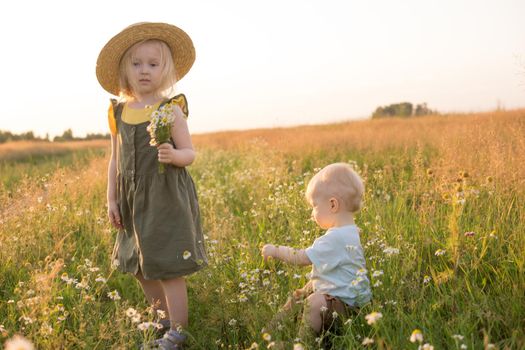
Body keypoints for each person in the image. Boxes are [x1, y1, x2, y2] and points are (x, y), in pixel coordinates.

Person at [96, 22, 207, 349]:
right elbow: (115, 159)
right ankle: (161, 321)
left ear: (165, 70)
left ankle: (179, 332)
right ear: (125, 69)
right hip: (131, 198)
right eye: (137, 63)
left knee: (168, 265)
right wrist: (111, 199)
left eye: (153, 64)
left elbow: (190, 153)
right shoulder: (119, 111)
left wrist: (175, 155)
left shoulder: (170, 110)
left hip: (165, 196)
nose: (145, 71)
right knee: (139, 265)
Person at [261, 163, 371, 345]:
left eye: (314, 206)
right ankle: (273, 327)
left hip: (346, 309)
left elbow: (301, 257)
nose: (312, 214)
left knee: (314, 301)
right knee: (306, 288)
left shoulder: (334, 238)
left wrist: (276, 250)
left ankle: (302, 344)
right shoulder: (351, 231)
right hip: (354, 303)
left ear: (333, 204)